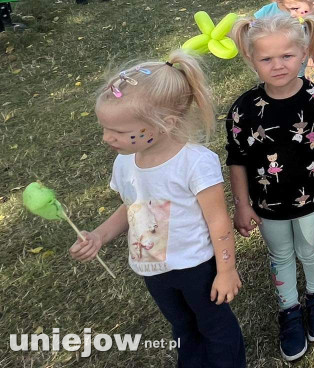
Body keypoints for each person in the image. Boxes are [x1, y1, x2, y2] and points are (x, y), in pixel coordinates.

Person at [70, 52, 245, 367]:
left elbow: (219, 222)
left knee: (214, 326)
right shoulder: (125, 161)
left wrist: (226, 270)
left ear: (165, 123)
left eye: (119, 131)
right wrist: (99, 235)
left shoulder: (195, 163)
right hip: (153, 268)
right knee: (181, 326)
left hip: (196, 268)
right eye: (105, 128)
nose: (106, 138)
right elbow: (131, 207)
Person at [228, 14, 314, 361]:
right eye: (266, 58)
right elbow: (237, 159)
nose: (277, 65)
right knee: (280, 255)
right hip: (268, 204)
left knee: (310, 248)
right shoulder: (243, 110)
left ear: (305, 52)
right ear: (251, 59)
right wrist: (242, 204)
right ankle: (289, 309)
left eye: (287, 56)